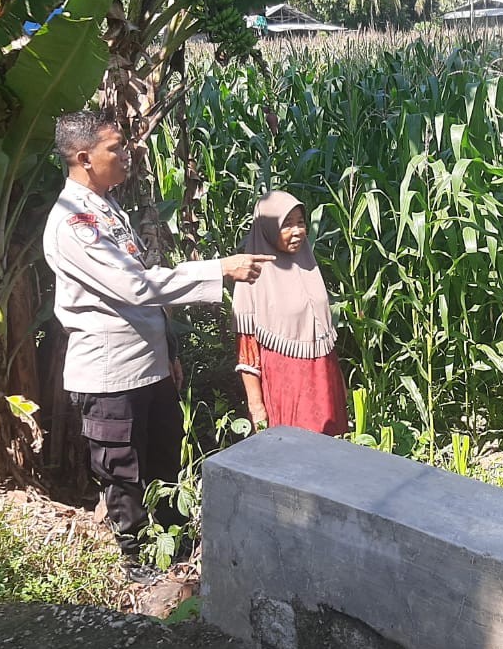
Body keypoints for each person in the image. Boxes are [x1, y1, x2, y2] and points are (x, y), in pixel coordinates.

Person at [42, 110, 274, 585]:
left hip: (147, 366)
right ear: (84, 158)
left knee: (164, 460)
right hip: (111, 375)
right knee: (123, 472)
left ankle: (179, 549)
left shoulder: (107, 209)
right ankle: (140, 564)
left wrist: (168, 351)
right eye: (115, 147)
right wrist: (219, 269)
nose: (126, 154)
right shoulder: (74, 223)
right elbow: (136, 289)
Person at [234, 191, 348, 436]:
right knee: (295, 458)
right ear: (268, 228)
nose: (297, 231)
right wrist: (256, 407)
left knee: (333, 458)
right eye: (287, 224)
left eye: (300, 223)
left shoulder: (309, 265)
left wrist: (339, 387)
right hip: (288, 383)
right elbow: (247, 353)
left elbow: (324, 336)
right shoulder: (251, 275)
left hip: (323, 383)